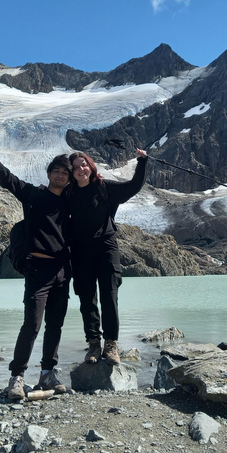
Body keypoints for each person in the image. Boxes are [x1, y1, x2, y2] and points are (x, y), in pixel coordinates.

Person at [0, 128, 72, 400]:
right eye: (56, 171)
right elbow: (4, 177)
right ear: (49, 174)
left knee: (55, 325)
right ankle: (17, 377)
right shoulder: (34, 196)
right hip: (38, 271)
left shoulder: (71, 203)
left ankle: (47, 374)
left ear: (68, 179)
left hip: (63, 272)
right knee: (31, 326)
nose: (60, 175)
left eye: (64, 173)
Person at [68, 148, 148, 365]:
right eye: (75, 167)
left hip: (106, 249)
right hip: (80, 253)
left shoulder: (104, 188)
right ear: (71, 172)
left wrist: (142, 162)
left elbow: (133, 187)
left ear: (90, 166)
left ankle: (111, 345)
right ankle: (94, 344)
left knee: (109, 297)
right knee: (87, 300)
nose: (80, 169)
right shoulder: (68, 193)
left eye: (83, 164)